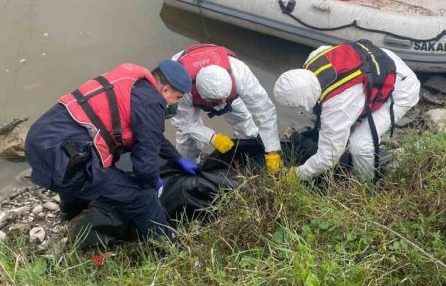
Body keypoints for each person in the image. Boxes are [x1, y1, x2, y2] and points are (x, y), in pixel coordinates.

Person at [25, 60, 197, 242]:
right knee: (143, 198)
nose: (174, 103)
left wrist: (178, 159)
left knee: (73, 172)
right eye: (177, 97)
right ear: (165, 90)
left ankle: (69, 213)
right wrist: (154, 184)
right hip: (63, 157)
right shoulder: (152, 103)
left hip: (40, 141)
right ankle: (167, 247)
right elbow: (145, 167)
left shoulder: (134, 84)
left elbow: (153, 137)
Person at [273, 40, 420, 181]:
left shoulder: (339, 104)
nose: (296, 107)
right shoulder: (313, 58)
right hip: (380, 61)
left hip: (401, 88)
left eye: (295, 104)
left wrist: (296, 174)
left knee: (360, 144)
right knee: (346, 130)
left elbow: (328, 158)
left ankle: (364, 183)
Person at [171, 44, 282, 174]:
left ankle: (249, 144)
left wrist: (272, 149)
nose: (222, 103)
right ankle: (188, 166)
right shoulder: (180, 85)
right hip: (189, 83)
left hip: (226, 89)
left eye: (224, 98)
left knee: (242, 119)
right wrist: (211, 137)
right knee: (187, 139)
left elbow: (265, 111)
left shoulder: (240, 73)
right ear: (201, 95)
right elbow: (184, 123)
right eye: (216, 101)